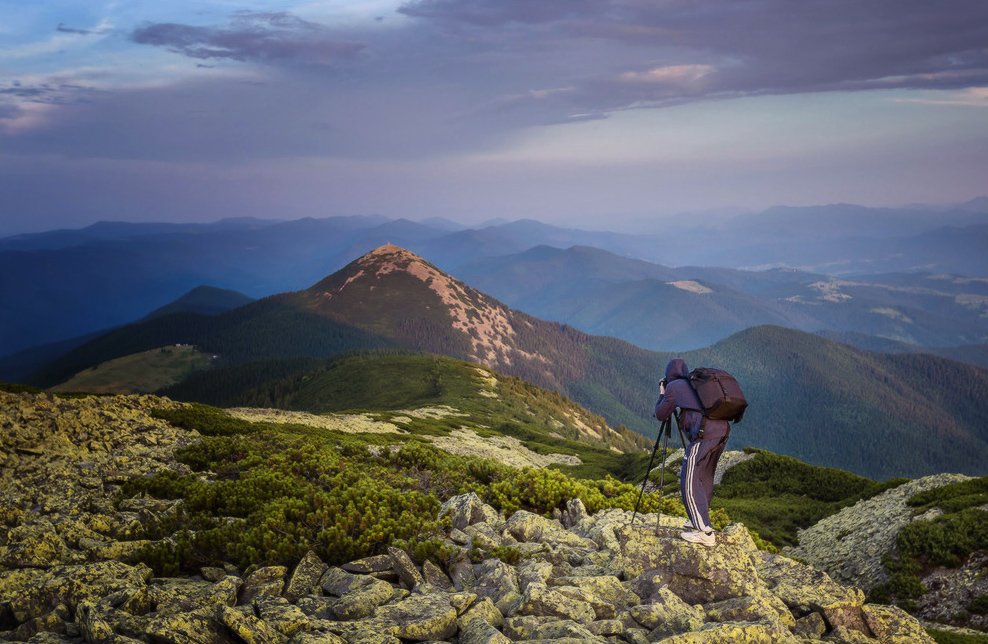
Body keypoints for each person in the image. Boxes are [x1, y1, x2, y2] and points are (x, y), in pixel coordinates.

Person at [654, 358, 730, 547]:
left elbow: (660, 414)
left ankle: (704, 531)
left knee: (688, 480)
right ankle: (698, 519)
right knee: (703, 477)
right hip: (722, 432)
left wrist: (662, 393)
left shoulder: (674, 387)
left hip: (704, 436)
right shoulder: (696, 384)